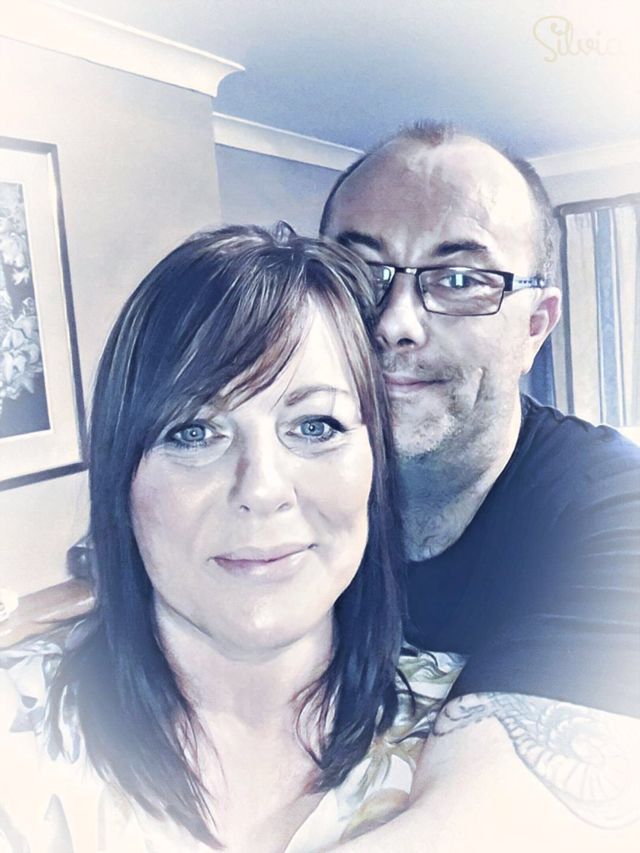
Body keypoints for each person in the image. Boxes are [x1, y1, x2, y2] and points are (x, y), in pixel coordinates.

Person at [0, 224, 464, 852]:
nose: (263, 488)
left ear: (375, 463)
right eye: (194, 432)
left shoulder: (475, 731)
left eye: (315, 426)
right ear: (122, 479)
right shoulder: (14, 728)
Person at [320, 122, 640, 850]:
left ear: (535, 326)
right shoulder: (272, 490)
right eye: (359, 273)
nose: (394, 323)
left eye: (461, 280)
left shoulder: (615, 512)